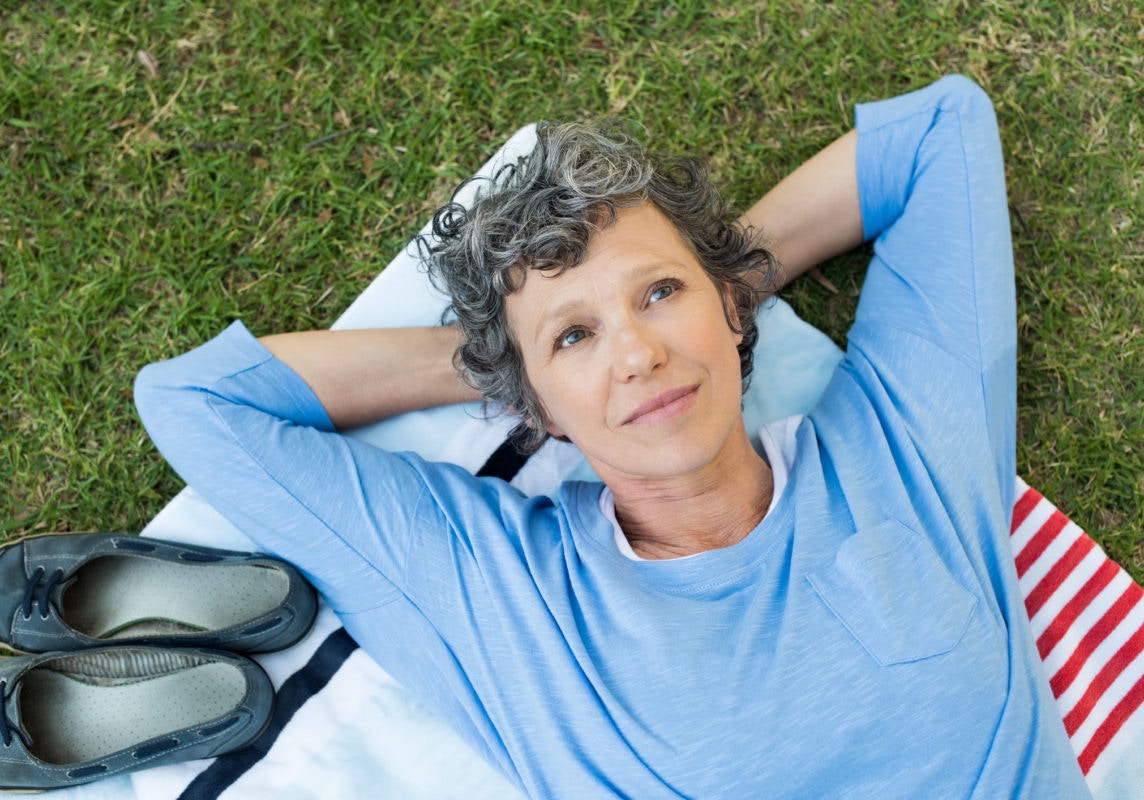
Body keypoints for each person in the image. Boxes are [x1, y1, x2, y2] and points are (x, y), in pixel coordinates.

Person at [135, 76, 1091, 798]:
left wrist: (718, 284)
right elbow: (197, 401)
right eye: (577, 336)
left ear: (729, 305)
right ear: (537, 405)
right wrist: (504, 361)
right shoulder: (507, 597)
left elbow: (938, 130)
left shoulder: (904, 449)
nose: (634, 354)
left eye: (659, 294)